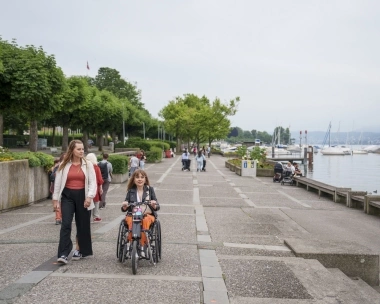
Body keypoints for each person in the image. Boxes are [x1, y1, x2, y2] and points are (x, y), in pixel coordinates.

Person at [52, 140, 96, 264]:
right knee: (65, 224)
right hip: (67, 196)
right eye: (79, 149)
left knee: (82, 224)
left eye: (83, 149)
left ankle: (80, 249)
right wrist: (55, 200)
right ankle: (63, 253)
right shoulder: (63, 165)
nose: (82, 151)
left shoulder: (88, 165)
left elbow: (93, 183)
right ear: (72, 150)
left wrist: (89, 197)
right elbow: (58, 184)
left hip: (83, 195)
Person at [121, 169, 159, 258]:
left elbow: (157, 206)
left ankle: (142, 246)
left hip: (147, 214)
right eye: (137, 177)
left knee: (145, 221)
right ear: (133, 179)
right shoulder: (131, 191)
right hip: (133, 214)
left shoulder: (150, 190)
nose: (140, 179)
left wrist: (154, 205)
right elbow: (124, 207)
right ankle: (130, 243)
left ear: (145, 179)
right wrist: (125, 206)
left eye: (142, 177)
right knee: (131, 222)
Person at [86, 153, 103, 222]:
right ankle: (96, 216)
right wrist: (101, 188)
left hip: (86, 186)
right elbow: (99, 179)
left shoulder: (85, 167)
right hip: (94, 186)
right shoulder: (96, 167)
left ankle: (86, 216)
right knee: (96, 201)